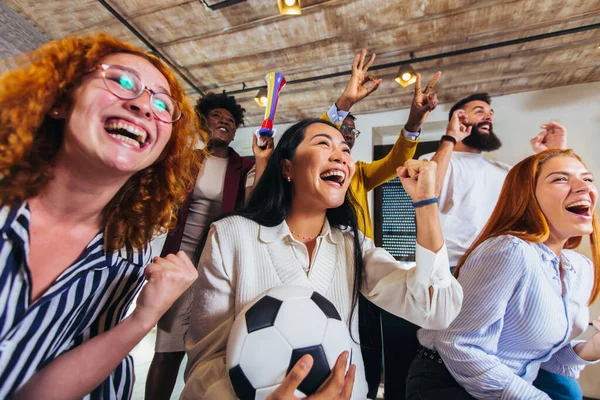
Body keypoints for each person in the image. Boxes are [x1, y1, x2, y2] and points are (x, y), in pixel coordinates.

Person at [180, 118, 463, 399]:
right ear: (287, 166)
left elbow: (436, 309)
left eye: (346, 150)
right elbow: (205, 363)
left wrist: (426, 202)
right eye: (323, 144)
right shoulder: (231, 236)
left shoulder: (353, 245)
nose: (341, 156)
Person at [0, 33, 200, 399]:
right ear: (61, 101)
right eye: (122, 82)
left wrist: (144, 319)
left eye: (162, 104)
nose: (142, 105)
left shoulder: (128, 255)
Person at [406, 148, 600, 399]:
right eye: (560, 179)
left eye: (587, 179)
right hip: (448, 384)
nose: (583, 187)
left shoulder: (580, 268)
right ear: (527, 196)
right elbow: (459, 345)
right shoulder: (509, 250)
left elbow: (539, 354)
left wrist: (591, 349)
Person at [145, 92, 271, 400]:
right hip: (180, 263)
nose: (224, 122)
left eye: (230, 120)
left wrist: (263, 160)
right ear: (204, 123)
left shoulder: (243, 166)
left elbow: (255, 205)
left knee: (207, 355)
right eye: (217, 117)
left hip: (219, 265)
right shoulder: (186, 161)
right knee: (167, 350)